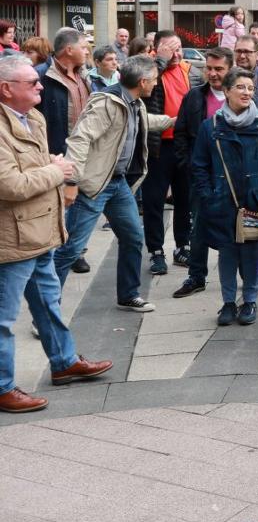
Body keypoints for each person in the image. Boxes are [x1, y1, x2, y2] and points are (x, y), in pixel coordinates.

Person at [0, 56, 113, 414]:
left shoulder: (32, 116)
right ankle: (2, 387)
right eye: (30, 82)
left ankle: (63, 362)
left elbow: (30, 168)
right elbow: (9, 184)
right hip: (12, 239)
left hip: (41, 231)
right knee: (3, 319)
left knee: (48, 303)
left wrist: (48, 166)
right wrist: (54, 170)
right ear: (6, 89)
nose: (39, 86)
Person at [55, 56, 174, 310]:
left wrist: (176, 121)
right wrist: (72, 181)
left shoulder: (135, 103)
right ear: (142, 82)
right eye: (153, 79)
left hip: (117, 184)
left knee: (132, 237)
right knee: (71, 249)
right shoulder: (107, 103)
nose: (155, 84)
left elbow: (147, 122)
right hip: (94, 186)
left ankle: (129, 295)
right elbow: (80, 139)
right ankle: (45, 310)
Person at [190, 68, 258, 326]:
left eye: (250, 88)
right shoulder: (211, 126)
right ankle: (228, 303)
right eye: (241, 87)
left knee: (252, 252)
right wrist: (207, 195)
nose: (246, 92)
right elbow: (199, 165)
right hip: (221, 201)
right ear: (227, 91)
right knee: (227, 252)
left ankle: (250, 300)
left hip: (255, 200)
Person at [170, 47, 233, 293]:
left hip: (233, 175)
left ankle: (245, 276)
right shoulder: (194, 96)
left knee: (237, 227)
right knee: (198, 226)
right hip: (201, 175)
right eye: (209, 68)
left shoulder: (240, 94)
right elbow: (181, 133)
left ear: (230, 69)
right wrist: (188, 165)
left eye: (219, 69)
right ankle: (196, 276)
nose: (213, 73)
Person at [140, 31, 198, 276]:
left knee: (185, 198)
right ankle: (156, 251)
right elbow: (142, 86)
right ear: (157, 49)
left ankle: (183, 246)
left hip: (183, 144)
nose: (176, 53)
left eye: (179, 48)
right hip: (157, 146)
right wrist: (160, 60)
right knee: (153, 200)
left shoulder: (189, 70)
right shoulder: (148, 69)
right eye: (169, 48)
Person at [36, 27, 92, 157]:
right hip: (55, 157)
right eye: (83, 48)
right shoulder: (40, 75)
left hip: (84, 153)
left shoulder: (85, 75)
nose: (87, 52)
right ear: (69, 50)